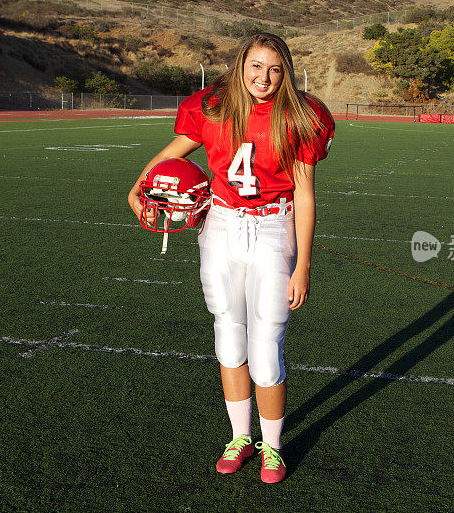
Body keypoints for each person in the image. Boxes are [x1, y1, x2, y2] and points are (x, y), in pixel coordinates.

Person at [128, 32, 335, 484]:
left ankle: (273, 447)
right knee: (228, 338)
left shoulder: (302, 114)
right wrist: (138, 185)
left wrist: (302, 265)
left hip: (272, 228)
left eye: (275, 69)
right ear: (241, 65)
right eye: (257, 66)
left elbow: (304, 193)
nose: (265, 77)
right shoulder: (213, 105)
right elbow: (171, 155)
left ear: (287, 72)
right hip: (220, 227)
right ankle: (240, 437)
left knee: (266, 349)